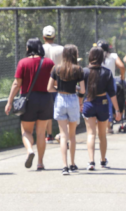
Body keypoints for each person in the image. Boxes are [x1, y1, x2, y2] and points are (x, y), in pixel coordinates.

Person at [5, 38, 55, 170]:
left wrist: (10, 101)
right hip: (46, 99)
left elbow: (17, 84)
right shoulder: (49, 63)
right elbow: (54, 83)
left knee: (26, 131)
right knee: (41, 133)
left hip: (28, 100)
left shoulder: (23, 62)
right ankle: (40, 162)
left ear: (28, 48)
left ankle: (29, 151)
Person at [80, 47, 121, 171]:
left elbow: (81, 91)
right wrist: (117, 110)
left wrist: (80, 103)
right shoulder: (107, 72)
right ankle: (103, 160)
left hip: (88, 103)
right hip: (103, 103)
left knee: (91, 134)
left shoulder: (84, 71)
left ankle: (91, 162)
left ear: (90, 57)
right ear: (102, 58)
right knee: (102, 135)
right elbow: (112, 94)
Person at [47, 45, 84, 175]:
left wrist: (59, 89)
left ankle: (64, 166)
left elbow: (49, 88)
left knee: (63, 135)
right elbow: (83, 90)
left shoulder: (56, 69)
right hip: (73, 99)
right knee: (72, 136)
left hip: (60, 100)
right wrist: (76, 89)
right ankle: (73, 164)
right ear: (75, 55)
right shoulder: (78, 69)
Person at [42, 25, 64, 143]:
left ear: (43, 37)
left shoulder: (39, 48)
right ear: (54, 36)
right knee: (59, 108)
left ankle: (48, 135)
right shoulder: (62, 49)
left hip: (44, 83)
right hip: (58, 82)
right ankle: (62, 134)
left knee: (47, 109)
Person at [97, 40, 125, 129]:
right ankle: (108, 127)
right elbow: (122, 66)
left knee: (98, 101)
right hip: (110, 80)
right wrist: (122, 76)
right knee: (109, 102)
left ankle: (99, 126)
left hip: (98, 81)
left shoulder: (96, 56)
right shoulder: (113, 56)